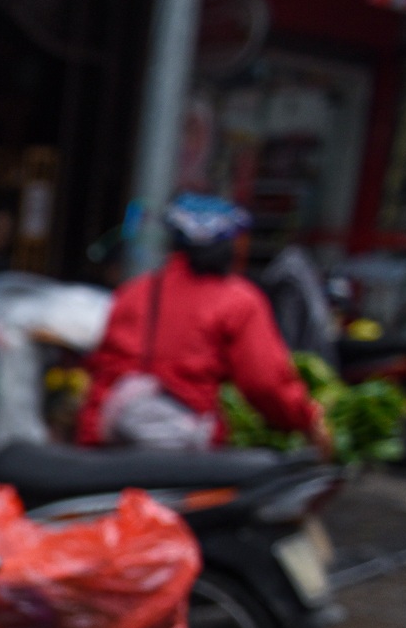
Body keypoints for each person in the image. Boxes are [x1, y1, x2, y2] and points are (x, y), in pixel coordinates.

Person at [76, 193, 330, 453]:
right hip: (181, 452)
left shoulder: (134, 292)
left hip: (106, 441)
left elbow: (101, 368)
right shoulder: (238, 300)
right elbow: (266, 384)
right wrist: (306, 419)